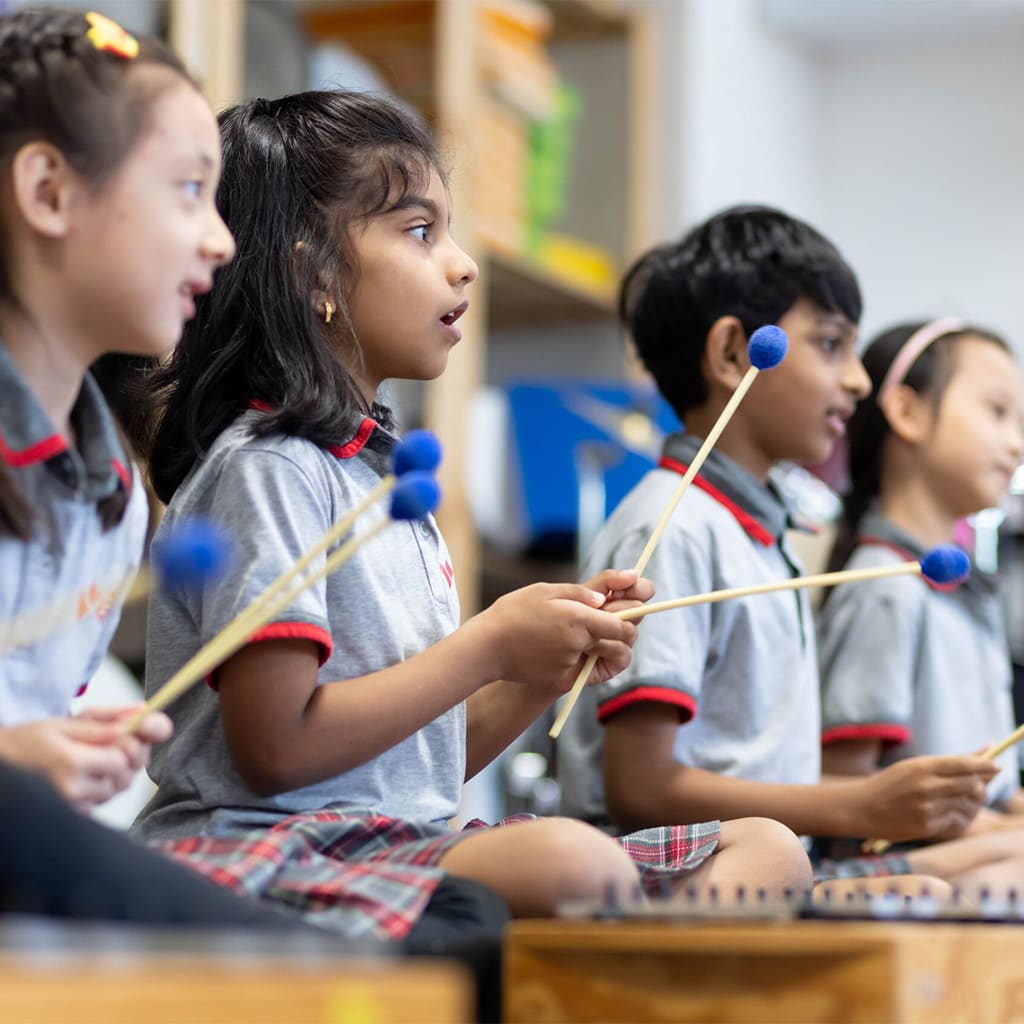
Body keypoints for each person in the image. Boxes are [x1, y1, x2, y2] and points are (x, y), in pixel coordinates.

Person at [131, 90, 812, 940]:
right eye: (421, 233)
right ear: (314, 276)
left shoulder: (379, 480)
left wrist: (537, 670)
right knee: (578, 864)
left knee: (767, 852)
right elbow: (276, 753)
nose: (463, 264)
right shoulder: (268, 469)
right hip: (267, 850)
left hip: (395, 841)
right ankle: (638, 972)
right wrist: (485, 645)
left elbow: (424, 769)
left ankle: (643, 977)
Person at [556, 204, 1024, 897]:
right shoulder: (673, 524)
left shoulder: (763, 542)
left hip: (769, 858)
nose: (859, 381)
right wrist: (861, 804)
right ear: (732, 354)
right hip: (674, 867)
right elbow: (637, 785)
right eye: (831, 344)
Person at [0, 5, 340, 934]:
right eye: (188, 190)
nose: (221, 240)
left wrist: (67, 752)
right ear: (49, 191)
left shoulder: (112, 500)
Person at [818, 319, 1024, 841]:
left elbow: (994, 793)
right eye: (998, 412)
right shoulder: (885, 587)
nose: (1017, 443)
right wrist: (999, 836)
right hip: (892, 867)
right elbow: (846, 798)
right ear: (908, 412)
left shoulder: (965, 593)